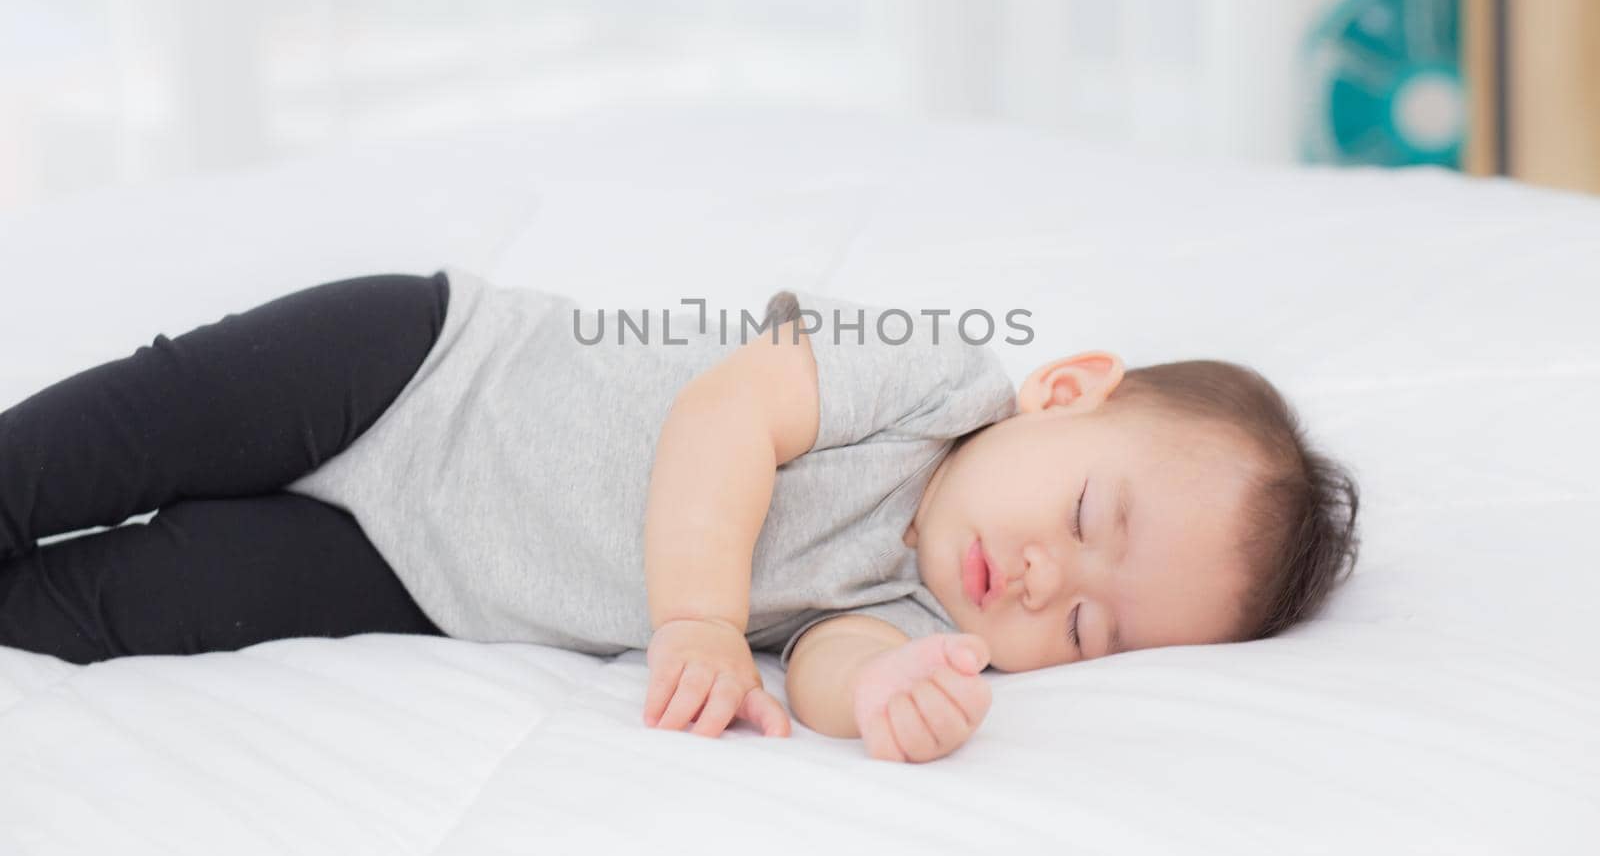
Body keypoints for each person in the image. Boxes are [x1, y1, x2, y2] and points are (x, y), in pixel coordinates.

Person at [0, 267, 1359, 764]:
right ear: (1063, 394)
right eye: (1082, 514)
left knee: (109, 612)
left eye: (1089, 626)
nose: (1044, 579)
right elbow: (727, 414)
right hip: (412, 372)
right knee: (77, 455)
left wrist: (893, 699)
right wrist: (700, 620)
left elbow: (825, 667)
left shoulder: (914, 617)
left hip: (417, 574)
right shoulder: (937, 370)